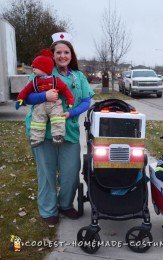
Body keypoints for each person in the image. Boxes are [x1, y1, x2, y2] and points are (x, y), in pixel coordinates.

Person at [24, 32, 95, 225]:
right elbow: (26, 97)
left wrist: (70, 114)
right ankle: (48, 210)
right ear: (53, 55)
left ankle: (65, 205)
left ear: (71, 55)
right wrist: (44, 97)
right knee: (46, 172)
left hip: (69, 131)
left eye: (66, 52)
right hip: (43, 130)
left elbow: (87, 100)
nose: (63, 56)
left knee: (71, 172)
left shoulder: (78, 76)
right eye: (59, 52)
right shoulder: (41, 72)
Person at [16, 48, 74, 147]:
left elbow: (65, 90)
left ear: (44, 68)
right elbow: (25, 90)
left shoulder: (56, 80)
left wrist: (70, 100)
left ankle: (58, 135)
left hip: (54, 104)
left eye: (35, 67)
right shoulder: (34, 81)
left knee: (57, 118)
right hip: (39, 105)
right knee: (37, 120)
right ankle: (36, 138)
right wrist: (20, 99)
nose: (33, 69)